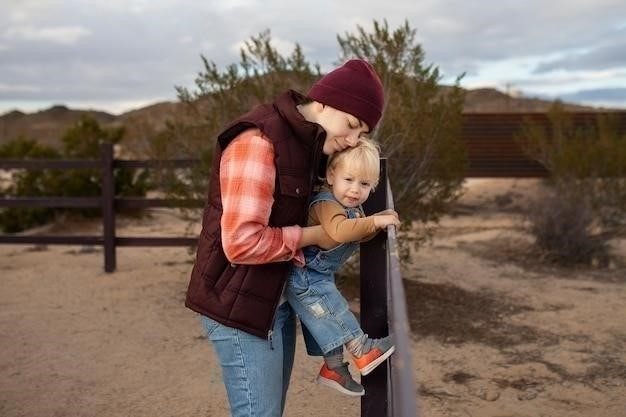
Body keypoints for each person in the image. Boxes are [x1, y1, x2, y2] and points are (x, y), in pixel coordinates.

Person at [185, 59, 386, 417]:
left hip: (272, 300)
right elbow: (242, 243)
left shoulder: (311, 145)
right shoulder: (259, 141)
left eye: (362, 134)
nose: (353, 139)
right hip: (237, 303)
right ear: (324, 102)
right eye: (352, 125)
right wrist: (319, 235)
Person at [285, 138, 399, 397]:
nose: (355, 190)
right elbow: (339, 231)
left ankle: (333, 368)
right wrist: (375, 221)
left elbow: (356, 233)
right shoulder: (326, 203)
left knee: (326, 317)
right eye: (349, 180)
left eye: (365, 184)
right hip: (304, 276)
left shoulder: (351, 208)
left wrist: (376, 225)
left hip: (316, 275)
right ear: (330, 175)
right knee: (335, 311)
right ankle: (363, 349)